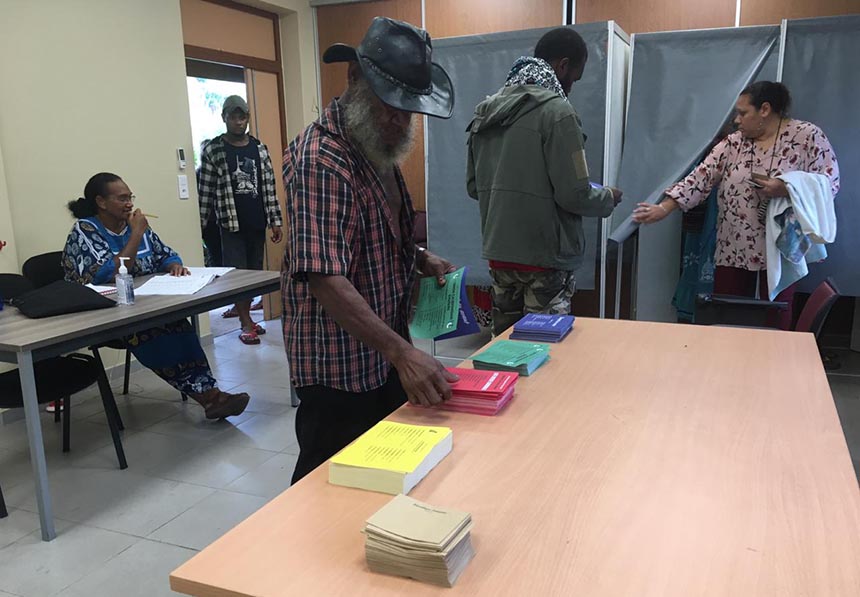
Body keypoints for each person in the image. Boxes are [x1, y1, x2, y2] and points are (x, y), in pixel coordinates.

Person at [282, 17, 459, 484]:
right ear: (354, 78)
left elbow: (369, 230)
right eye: (390, 106)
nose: (400, 121)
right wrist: (403, 354)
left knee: (383, 476)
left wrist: (417, 256)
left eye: (409, 110)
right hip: (339, 364)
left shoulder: (375, 148)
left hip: (383, 351)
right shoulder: (322, 160)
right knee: (326, 484)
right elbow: (325, 277)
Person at [632, 81, 840, 330]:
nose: (736, 120)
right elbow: (700, 177)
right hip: (734, 244)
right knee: (727, 314)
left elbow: (829, 183)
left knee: (777, 315)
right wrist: (664, 208)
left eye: (743, 113)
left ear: (765, 110)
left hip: (782, 245)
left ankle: (775, 355)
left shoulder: (807, 136)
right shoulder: (733, 143)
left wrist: (785, 188)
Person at [467, 27, 623, 336]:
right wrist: (608, 197)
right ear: (563, 65)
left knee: (504, 347)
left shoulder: (486, 111)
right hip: (546, 256)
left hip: (500, 254)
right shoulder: (558, 112)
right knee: (542, 346)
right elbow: (574, 194)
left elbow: (474, 187)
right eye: (574, 78)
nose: (571, 87)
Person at [63, 172, 251, 419]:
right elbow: (107, 273)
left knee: (180, 326)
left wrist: (174, 265)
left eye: (130, 197)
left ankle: (212, 395)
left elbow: (164, 253)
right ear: (101, 202)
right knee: (154, 332)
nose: (129, 204)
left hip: (143, 303)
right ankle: (210, 398)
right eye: (122, 198)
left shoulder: (133, 226)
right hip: (105, 313)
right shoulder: (86, 230)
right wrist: (136, 234)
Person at [198, 95, 283, 345]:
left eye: (242, 117)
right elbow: (205, 190)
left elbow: (269, 186)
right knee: (238, 276)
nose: (238, 122)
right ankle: (245, 322)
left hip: (257, 222)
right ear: (224, 118)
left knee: (254, 275)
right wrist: (199, 225)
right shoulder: (214, 149)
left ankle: (249, 319)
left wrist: (275, 220)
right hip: (230, 224)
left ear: (247, 118)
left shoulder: (259, 148)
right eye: (233, 117)